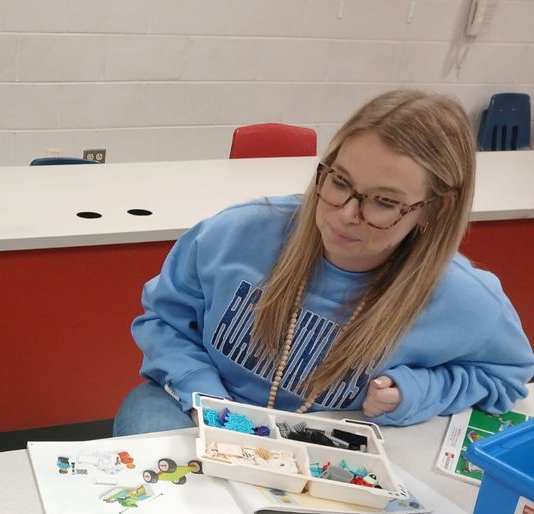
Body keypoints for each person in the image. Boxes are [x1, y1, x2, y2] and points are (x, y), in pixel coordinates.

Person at [114, 89, 534, 436]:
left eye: (384, 202)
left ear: (435, 210)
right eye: (339, 182)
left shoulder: (465, 297)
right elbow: (163, 322)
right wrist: (206, 400)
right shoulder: (236, 233)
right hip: (193, 409)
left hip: (332, 440)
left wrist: (416, 391)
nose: (345, 214)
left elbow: (507, 374)